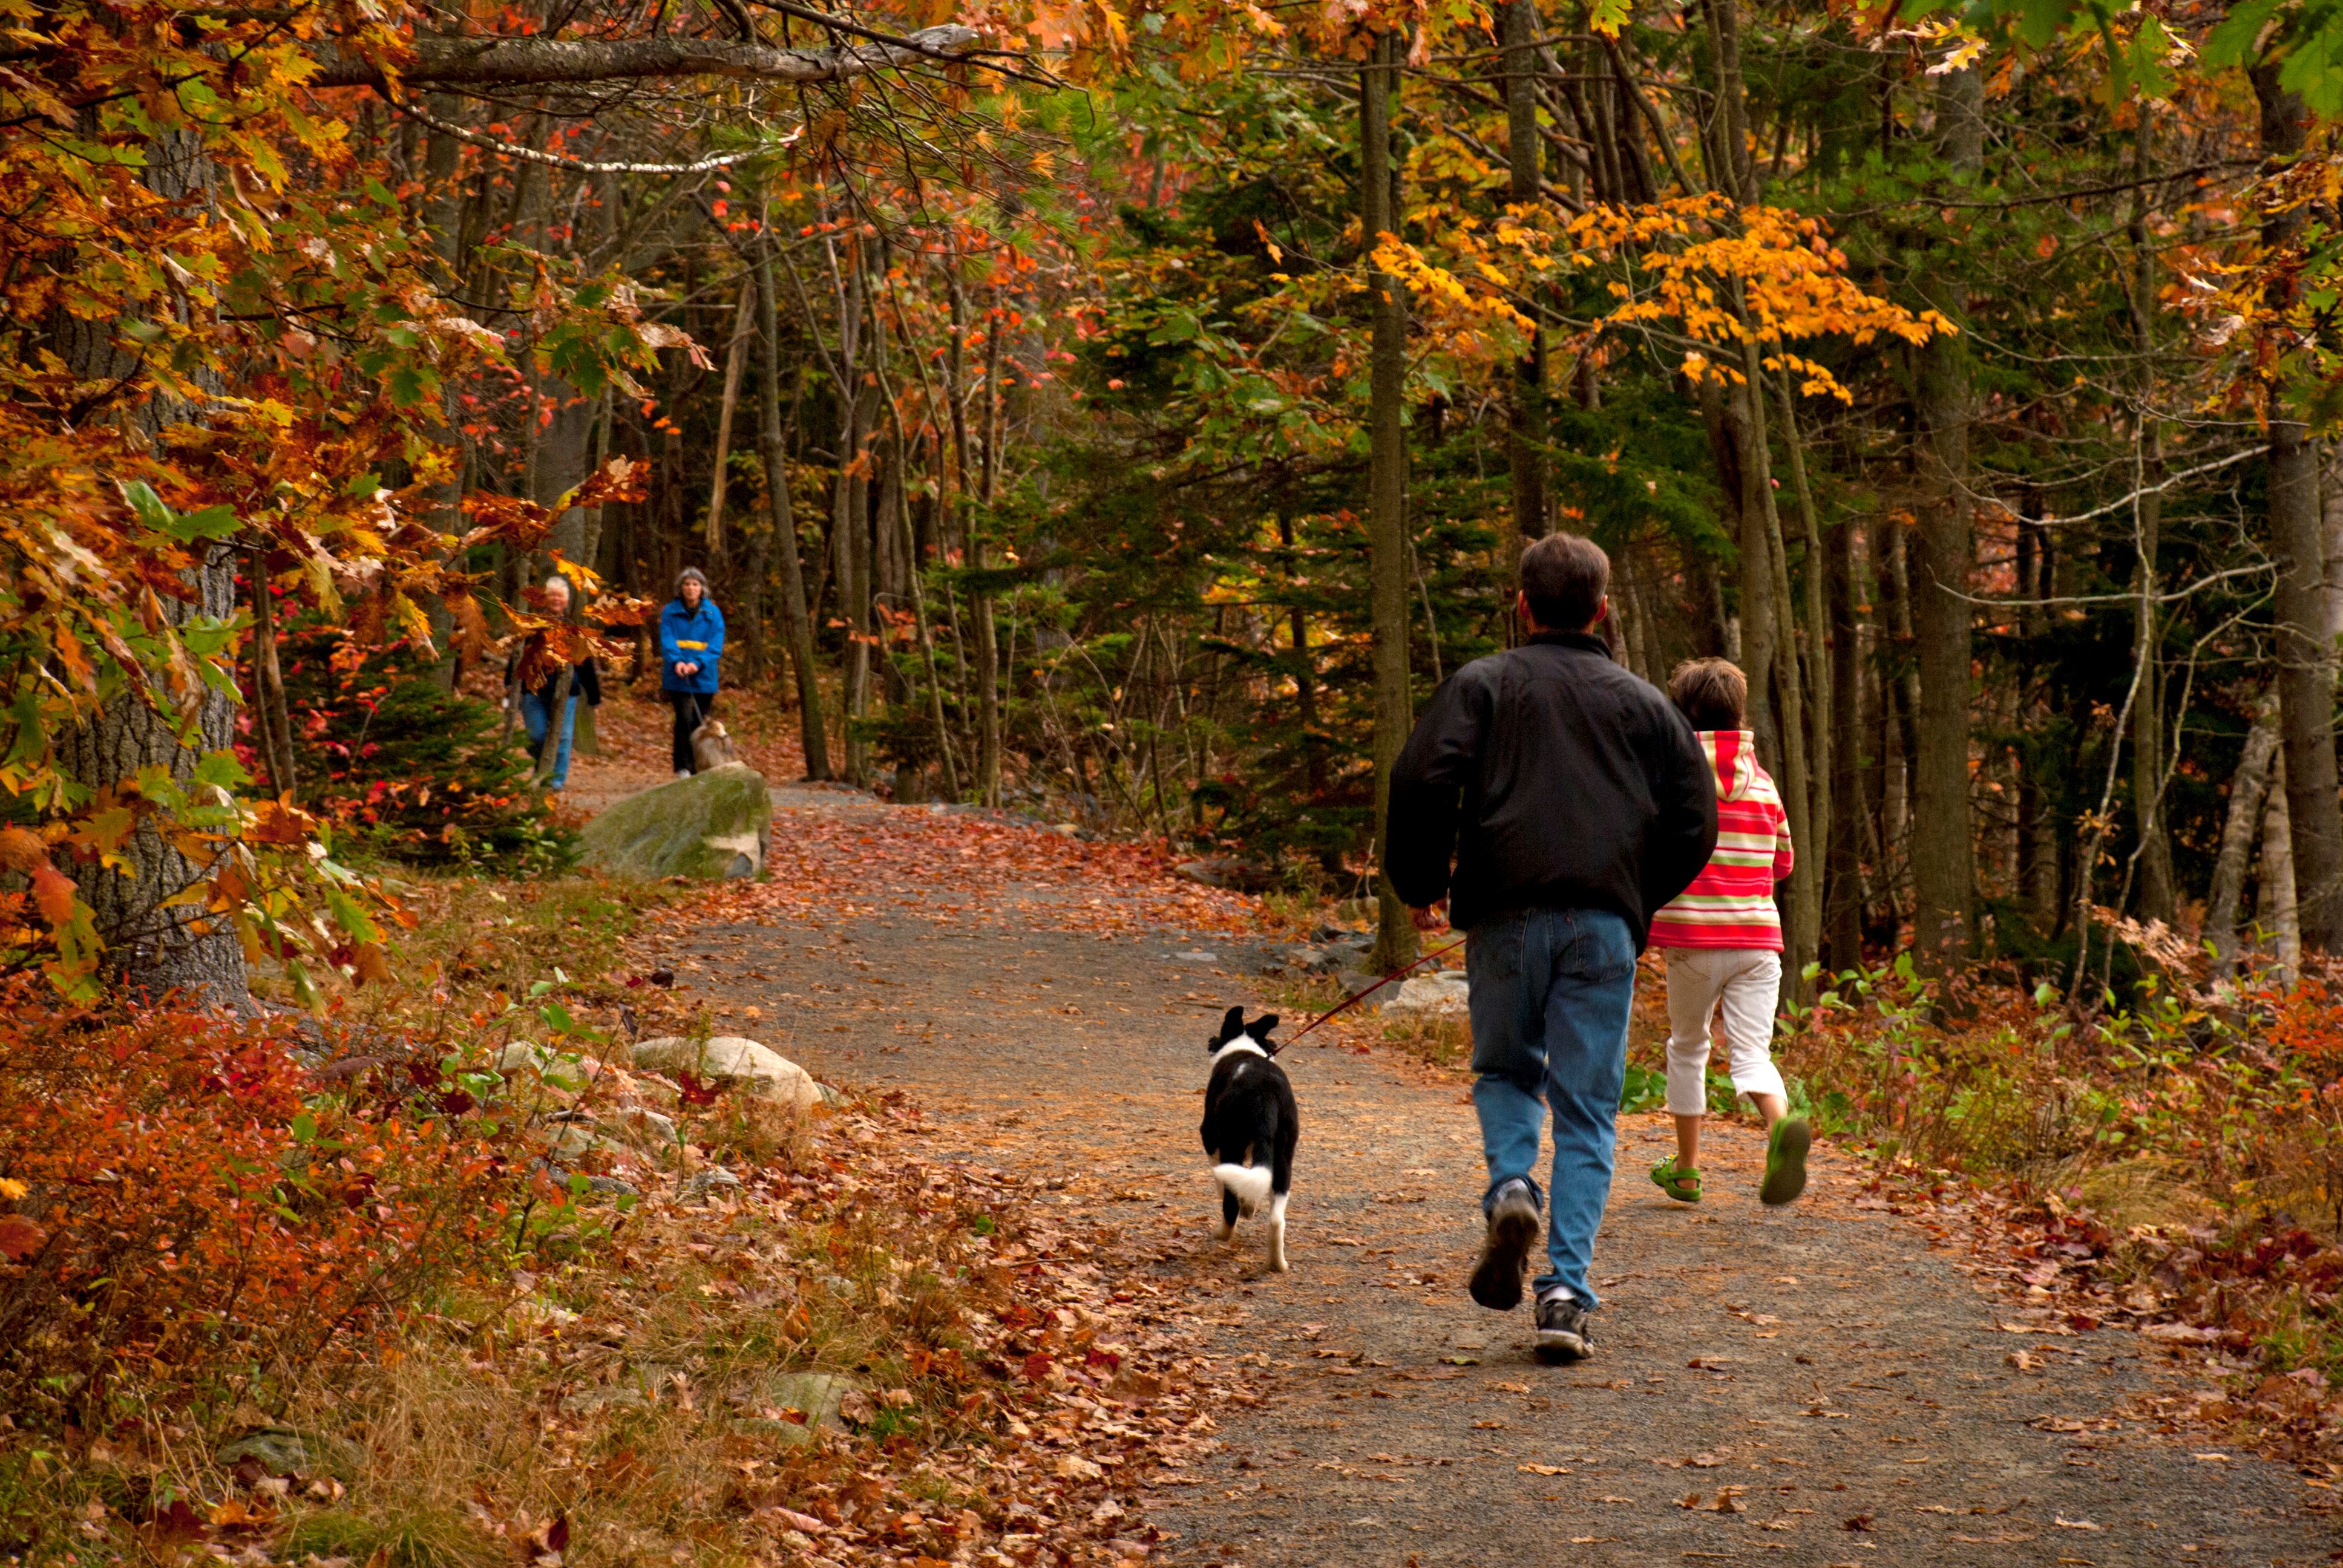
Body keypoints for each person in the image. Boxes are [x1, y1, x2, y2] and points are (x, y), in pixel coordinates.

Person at [1386, 532, 1716, 1364]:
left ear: (1522, 605)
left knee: (1505, 1072)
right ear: (1604, 609)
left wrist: (1423, 880)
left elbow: (1420, 777)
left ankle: (1507, 1186)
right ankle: (1565, 1293)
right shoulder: (1648, 706)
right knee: (1587, 1111)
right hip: (1604, 923)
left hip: (1506, 917)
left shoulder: (1484, 685)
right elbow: (1696, 821)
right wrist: (1636, 893)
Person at [1645, 658, 1810, 1209]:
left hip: (1693, 942)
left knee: (1688, 1047)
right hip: (1758, 943)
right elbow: (1783, 863)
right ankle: (1781, 1127)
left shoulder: (1673, 784)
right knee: (1752, 1055)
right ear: (1740, 716)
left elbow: (1651, 854)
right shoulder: (1763, 786)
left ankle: (1688, 1172)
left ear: (1682, 715)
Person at [508, 573, 601, 793]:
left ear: (567, 601)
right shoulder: (534, 626)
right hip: (534, 688)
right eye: (552, 596)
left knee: (563, 736)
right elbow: (519, 655)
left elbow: (585, 663)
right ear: (544, 599)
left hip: (566, 691)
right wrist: (511, 684)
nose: (556, 600)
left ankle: (556, 780)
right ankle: (542, 766)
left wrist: (594, 695)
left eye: (560, 596)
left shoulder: (574, 630)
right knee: (536, 735)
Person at [660, 566, 725, 778]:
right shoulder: (670, 611)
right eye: (687, 584)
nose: (691, 588)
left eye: (695, 584)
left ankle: (700, 765)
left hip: (704, 677)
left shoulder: (713, 614)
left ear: (702, 588)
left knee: (700, 723)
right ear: (681, 588)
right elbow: (667, 640)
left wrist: (698, 663)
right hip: (678, 676)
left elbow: (715, 645)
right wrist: (677, 661)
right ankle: (683, 767)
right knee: (684, 720)